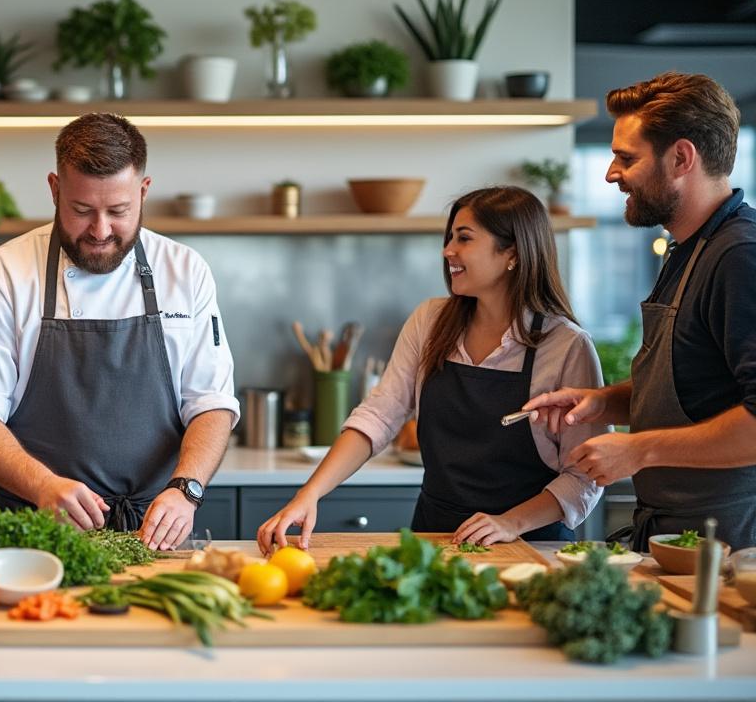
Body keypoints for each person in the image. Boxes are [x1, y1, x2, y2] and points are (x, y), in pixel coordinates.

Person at [0, 113, 238, 550]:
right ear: (55, 188)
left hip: (158, 530)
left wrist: (187, 489)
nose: (100, 231)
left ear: (143, 191)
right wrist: (43, 485)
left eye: (118, 212)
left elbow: (211, 402)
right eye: (82, 211)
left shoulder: (185, 271)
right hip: (33, 530)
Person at [259, 186, 606, 553]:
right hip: (434, 538)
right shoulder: (430, 321)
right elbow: (379, 415)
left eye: (464, 238)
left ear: (513, 253)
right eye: (450, 237)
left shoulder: (566, 345)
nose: (448, 251)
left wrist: (510, 523)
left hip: (532, 545)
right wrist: (310, 494)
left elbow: (585, 475)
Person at [523, 73, 756, 550]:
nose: (611, 173)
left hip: (730, 544)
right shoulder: (689, 250)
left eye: (626, 158)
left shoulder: (740, 256)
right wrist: (604, 402)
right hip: (680, 535)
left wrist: (638, 449)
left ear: (681, 158)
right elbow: (698, 389)